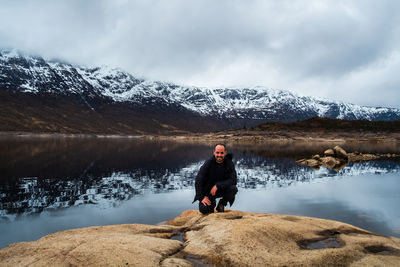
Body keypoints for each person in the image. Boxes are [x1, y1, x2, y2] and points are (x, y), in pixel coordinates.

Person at [192, 144, 238, 214]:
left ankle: (221, 204)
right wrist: (201, 197)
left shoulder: (229, 163)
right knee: (204, 210)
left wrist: (218, 185)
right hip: (209, 192)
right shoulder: (208, 163)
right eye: (217, 153)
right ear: (214, 152)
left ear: (225, 153)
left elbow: (233, 180)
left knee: (233, 189)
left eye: (222, 153)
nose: (219, 155)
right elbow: (198, 180)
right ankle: (212, 203)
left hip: (222, 189)